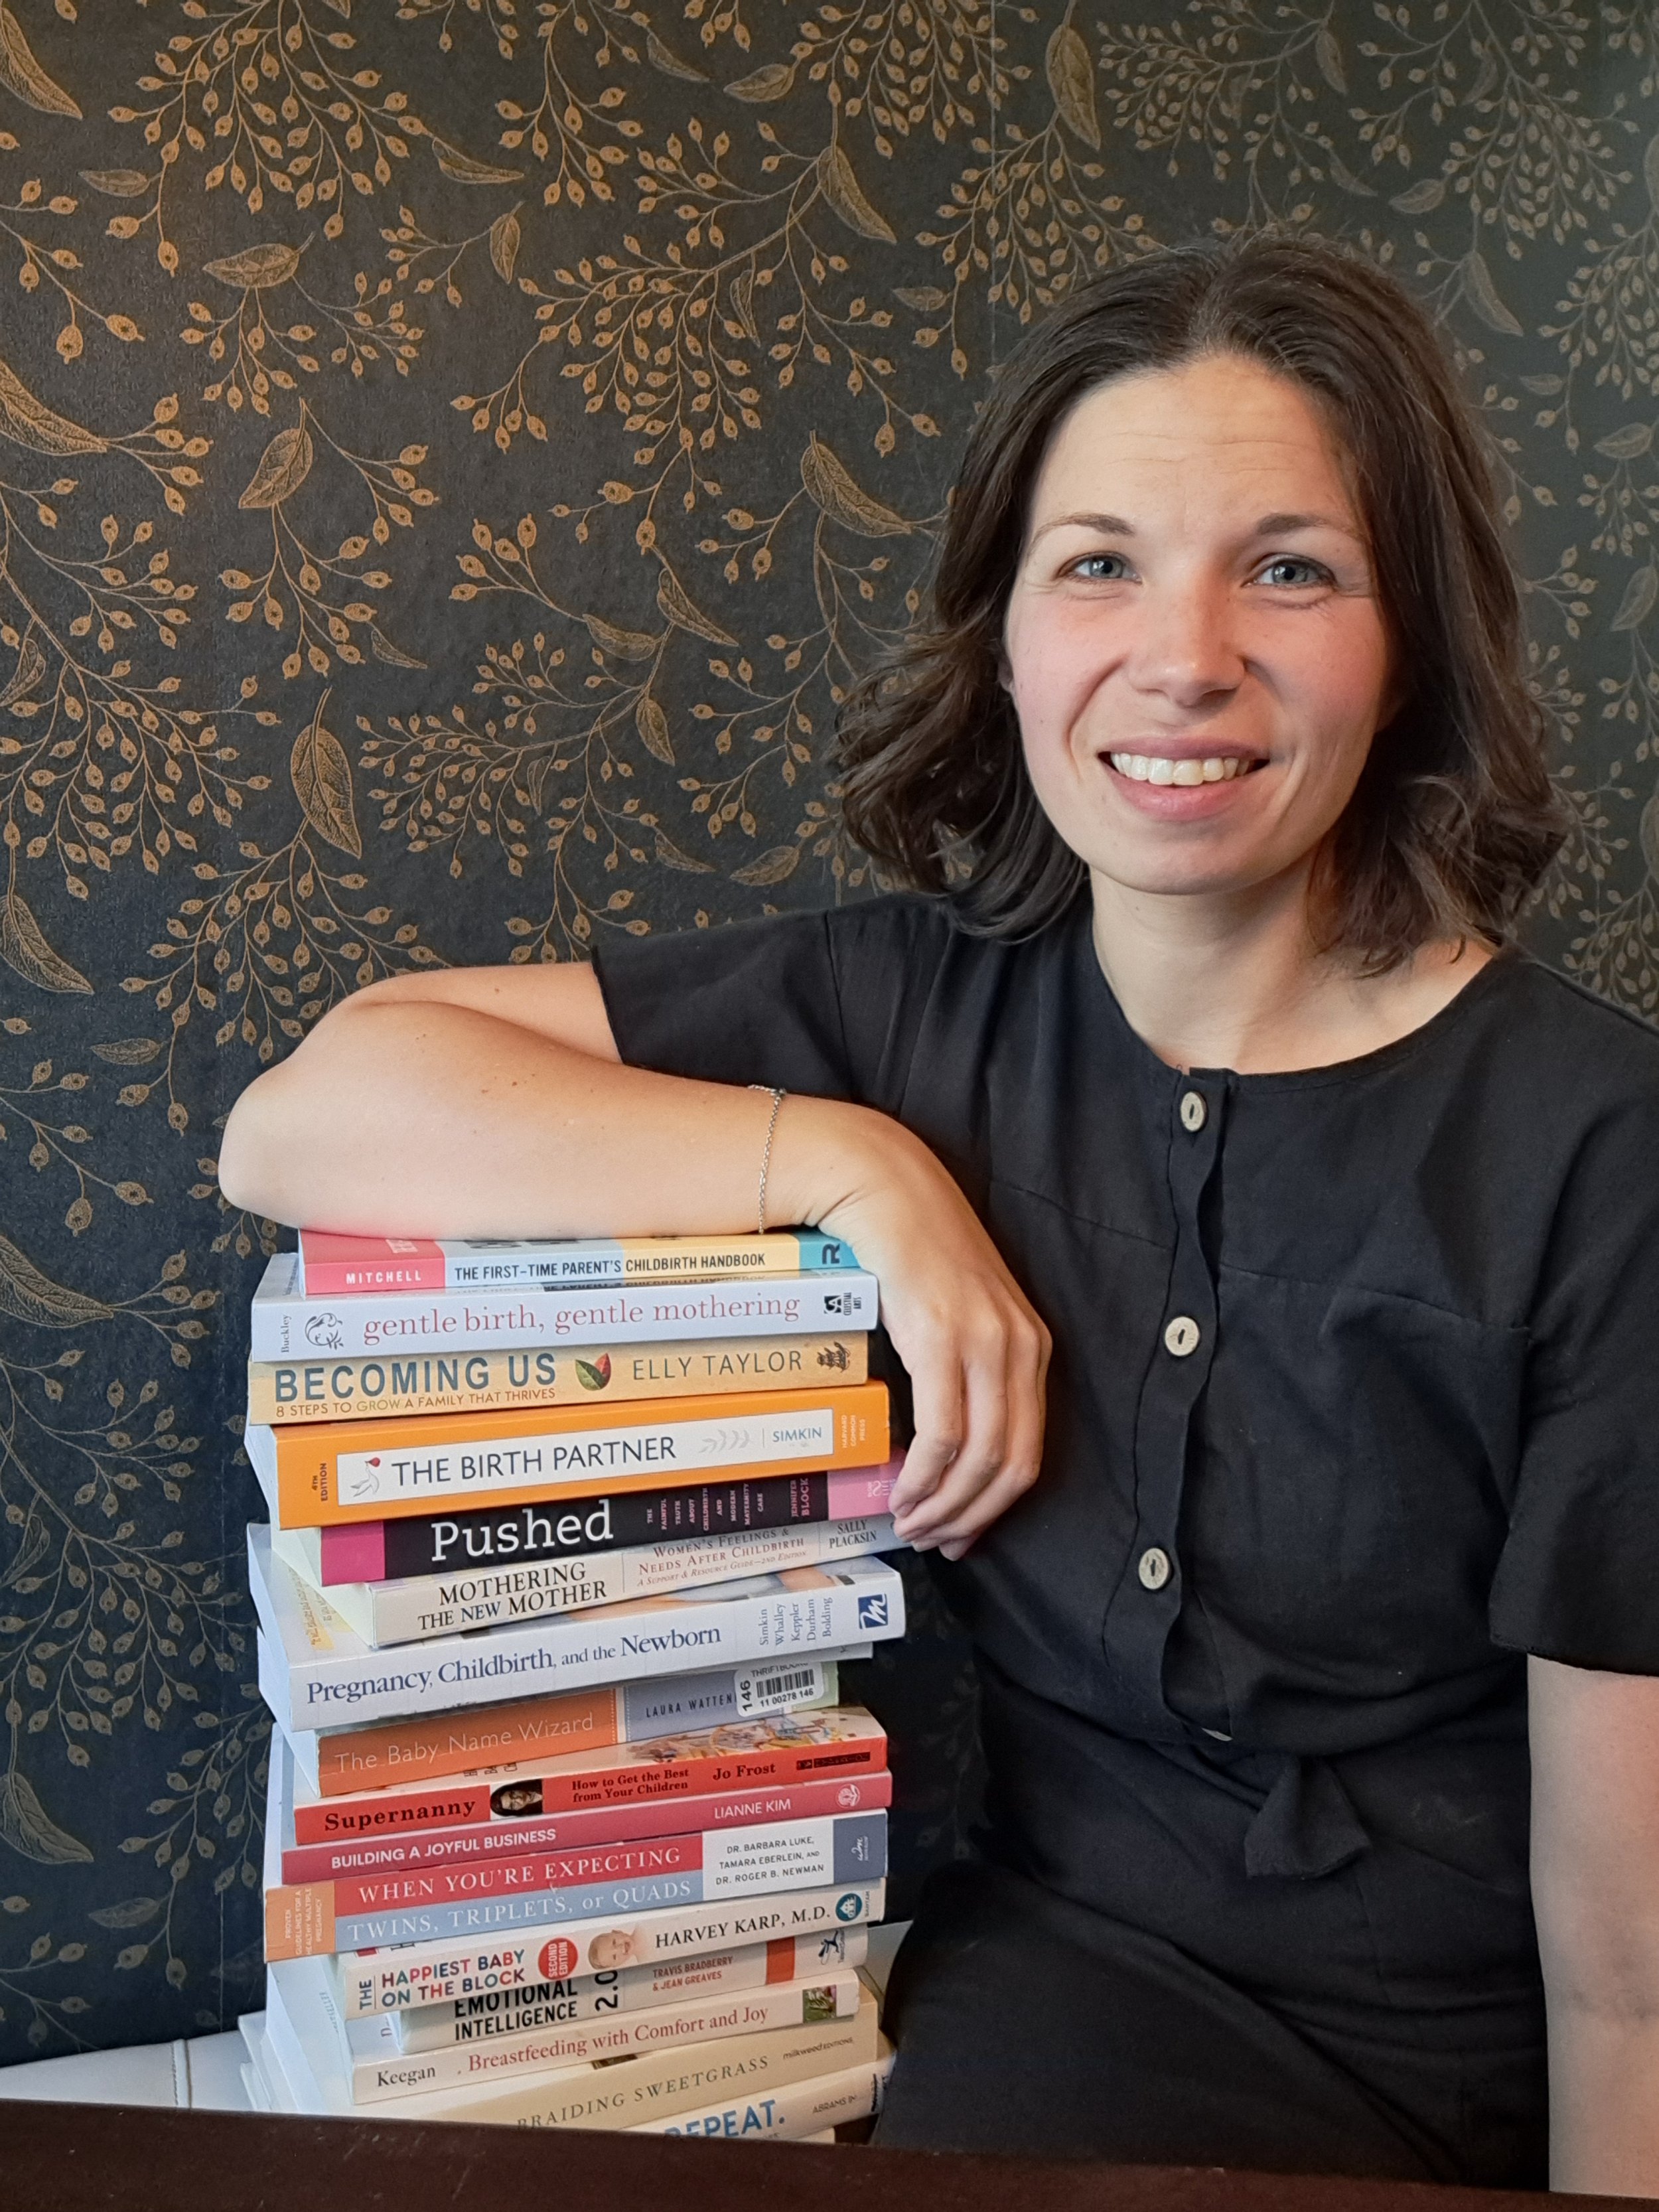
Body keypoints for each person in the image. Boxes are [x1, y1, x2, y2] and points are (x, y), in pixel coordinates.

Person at [220, 237, 1659, 2193]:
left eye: (1290, 567)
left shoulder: (1597, 1143)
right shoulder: (909, 1008)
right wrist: (853, 1168)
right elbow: (306, 1113)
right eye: (1100, 562)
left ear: (1408, 636)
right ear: (1003, 631)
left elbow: (1628, 1978)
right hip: (1093, 1990)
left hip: (1492, 2032)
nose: (1184, 654)